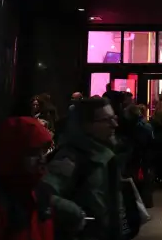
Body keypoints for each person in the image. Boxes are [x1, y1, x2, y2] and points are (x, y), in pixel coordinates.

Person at [46, 96, 126, 240]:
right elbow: (45, 193)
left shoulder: (105, 154)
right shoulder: (71, 156)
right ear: (87, 125)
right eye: (106, 120)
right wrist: (77, 215)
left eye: (114, 117)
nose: (114, 124)